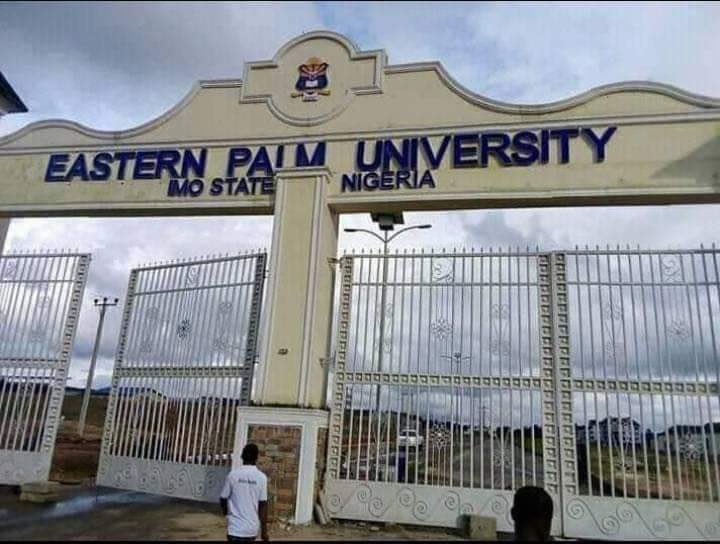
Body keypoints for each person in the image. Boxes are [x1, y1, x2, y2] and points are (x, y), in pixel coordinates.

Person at [220, 443, 269, 542]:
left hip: (235, 528)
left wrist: (226, 513)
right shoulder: (261, 478)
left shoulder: (233, 475)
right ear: (256, 458)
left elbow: (223, 498)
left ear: (242, 456)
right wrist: (264, 531)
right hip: (251, 529)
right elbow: (263, 505)